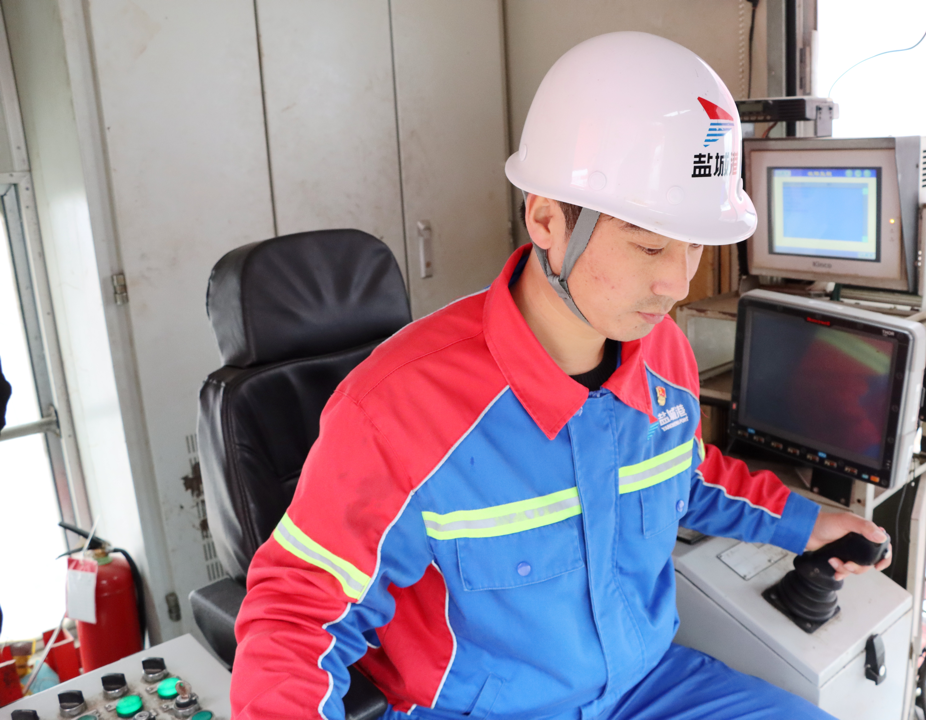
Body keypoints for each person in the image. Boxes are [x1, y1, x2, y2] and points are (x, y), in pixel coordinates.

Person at [231, 32, 890, 720]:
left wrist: (808, 523)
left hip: (648, 689)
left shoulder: (662, 353)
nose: (677, 282)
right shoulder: (395, 408)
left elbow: (683, 476)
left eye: (694, 245)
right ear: (546, 219)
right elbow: (296, 616)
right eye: (648, 245)